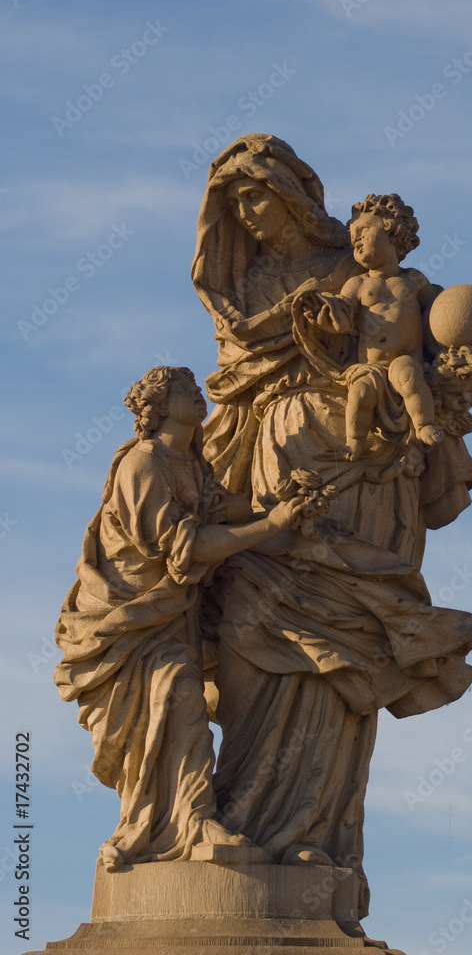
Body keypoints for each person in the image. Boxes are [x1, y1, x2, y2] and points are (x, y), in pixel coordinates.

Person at [192, 134, 472, 923]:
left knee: (339, 652)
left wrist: (448, 374)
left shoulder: (361, 274)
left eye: (257, 197)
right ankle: (238, 818)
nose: (249, 216)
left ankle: (312, 837)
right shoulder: (249, 281)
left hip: (363, 472)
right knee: (256, 631)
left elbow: (431, 360)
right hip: (266, 469)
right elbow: (235, 382)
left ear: (292, 196)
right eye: (235, 205)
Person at [54, 366, 303, 871]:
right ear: (159, 405)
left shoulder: (191, 463)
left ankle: (174, 822)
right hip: (127, 619)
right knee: (179, 694)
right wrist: (271, 525)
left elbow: (219, 509)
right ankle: (184, 823)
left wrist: (281, 503)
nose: (198, 394)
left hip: (168, 613)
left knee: (172, 706)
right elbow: (185, 550)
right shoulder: (142, 464)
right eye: (185, 389)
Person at [303, 193, 446, 460]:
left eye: (363, 230)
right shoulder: (357, 285)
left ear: (393, 232)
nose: (354, 238)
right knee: (360, 394)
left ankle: (424, 423)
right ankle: (354, 440)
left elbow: (437, 312)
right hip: (371, 366)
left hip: (405, 359)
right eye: (352, 233)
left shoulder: (414, 280)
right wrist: (323, 314)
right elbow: (342, 318)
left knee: (409, 378)